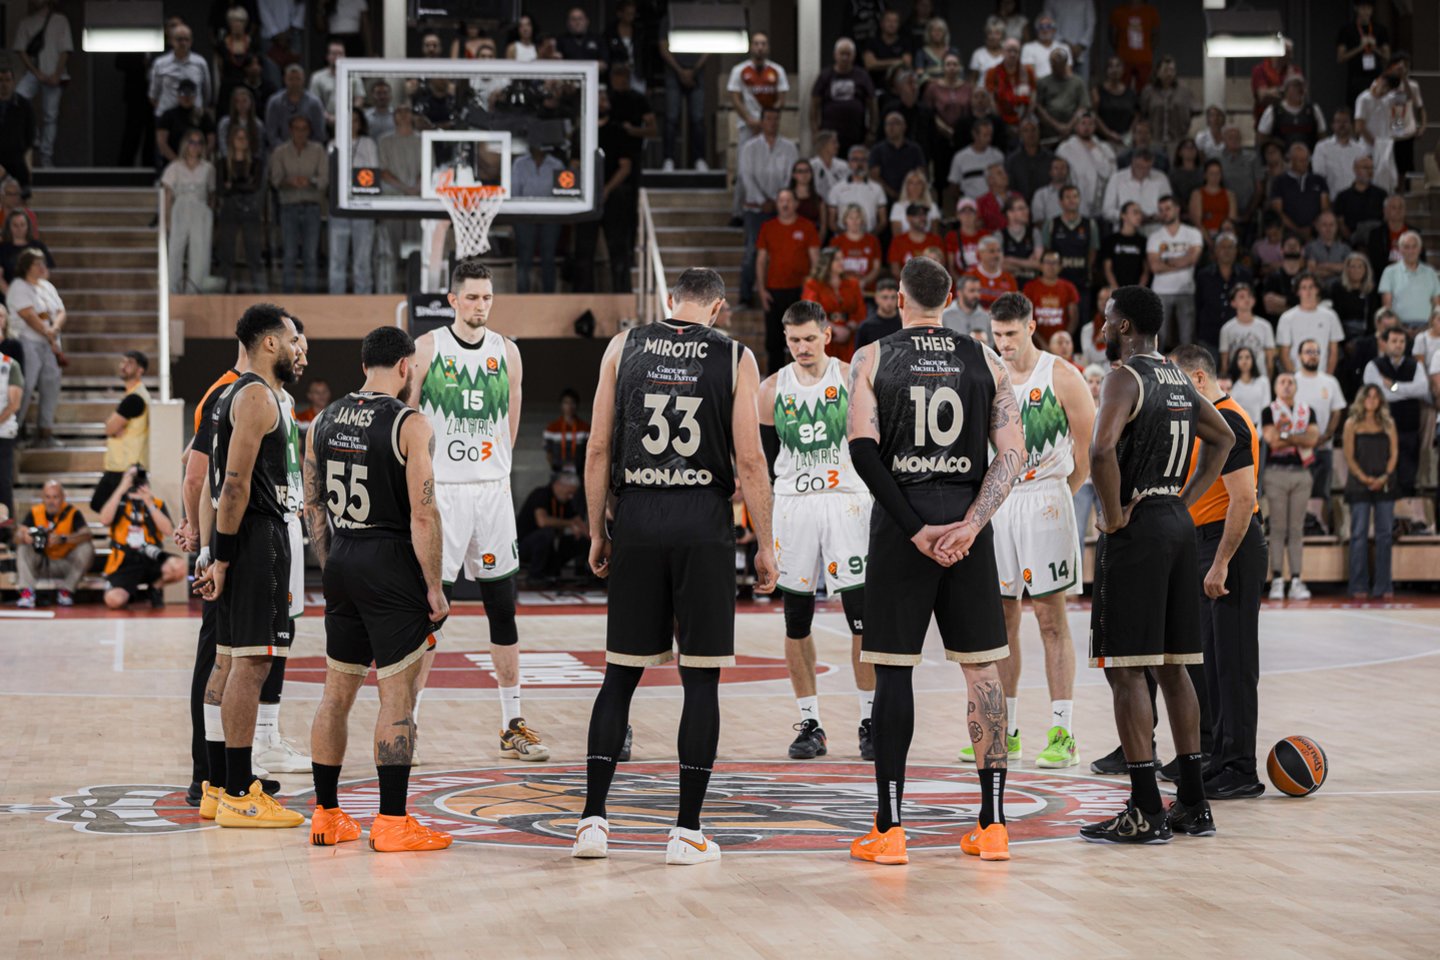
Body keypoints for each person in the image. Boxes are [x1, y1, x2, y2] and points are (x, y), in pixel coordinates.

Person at [572, 267, 776, 864]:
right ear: (717, 308)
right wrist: (766, 543)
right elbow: (750, 460)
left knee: (619, 675)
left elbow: (598, 448)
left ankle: (591, 823)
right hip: (702, 519)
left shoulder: (623, 345)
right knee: (701, 678)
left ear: (669, 300)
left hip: (638, 514)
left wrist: (597, 530)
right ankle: (686, 832)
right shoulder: (735, 356)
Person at [845, 256, 1025, 865]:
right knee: (983, 670)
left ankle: (891, 828)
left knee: (894, 672)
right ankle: (994, 825)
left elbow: (863, 452)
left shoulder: (872, 356)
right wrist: (971, 524)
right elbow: (1013, 454)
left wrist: (916, 529)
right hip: (968, 525)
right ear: (950, 298)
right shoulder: (987, 359)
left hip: (904, 526)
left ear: (900, 298)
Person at [1081, 285, 1231, 844]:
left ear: (1125, 327)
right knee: (1174, 665)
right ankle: (1193, 803)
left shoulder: (1125, 377)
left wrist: (1112, 513)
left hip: (1138, 528)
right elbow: (1222, 437)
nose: (1101, 327)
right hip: (1174, 522)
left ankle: (1145, 807)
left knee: (1125, 669)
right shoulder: (1176, 376)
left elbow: (1101, 450)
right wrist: (1184, 501)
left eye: (1107, 319)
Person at [302, 325, 452, 852]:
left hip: (342, 555)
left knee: (335, 694)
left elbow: (312, 503)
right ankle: (391, 822)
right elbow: (423, 514)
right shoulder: (410, 423)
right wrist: (434, 587)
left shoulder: (322, 419)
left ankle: (326, 814)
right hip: (389, 562)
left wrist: (333, 562)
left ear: (364, 364)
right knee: (397, 697)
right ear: (406, 366)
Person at [409, 260, 545, 759]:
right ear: (452, 300)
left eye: (487, 297)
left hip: (491, 493)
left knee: (502, 609)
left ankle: (512, 722)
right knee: (430, 612)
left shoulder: (508, 352)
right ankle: (408, 721)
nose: (480, 305)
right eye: (471, 297)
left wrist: (493, 467)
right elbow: (408, 419)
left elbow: (511, 420)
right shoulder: (427, 348)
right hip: (443, 492)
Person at [193, 304, 304, 828]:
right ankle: (239, 791)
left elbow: (213, 486)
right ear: (269, 343)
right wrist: (222, 556)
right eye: (292, 340)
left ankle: (217, 786)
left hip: (240, 539)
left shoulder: (229, 395)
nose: (297, 349)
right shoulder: (257, 396)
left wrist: (215, 551)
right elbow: (234, 485)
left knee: (226, 660)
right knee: (252, 664)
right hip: (258, 538)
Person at [974, 293, 1095, 771]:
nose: (1003, 342)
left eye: (1011, 333)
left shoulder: (1061, 375)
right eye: (996, 334)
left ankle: (1063, 731)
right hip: (1001, 502)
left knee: (1050, 620)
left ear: (1030, 328)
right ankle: (1007, 729)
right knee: (1002, 621)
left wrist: (1059, 495)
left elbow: (1087, 452)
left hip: (1045, 498)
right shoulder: (987, 375)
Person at [756, 302, 875, 760]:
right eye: (794, 340)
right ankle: (810, 723)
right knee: (796, 618)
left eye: (809, 338)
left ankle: (869, 719)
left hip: (847, 500)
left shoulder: (851, 378)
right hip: (794, 505)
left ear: (827, 334)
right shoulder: (771, 390)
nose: (802, 347)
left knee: (861, 617)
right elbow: (764, 463)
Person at [1171, 345, 1268, 799]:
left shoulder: (1230, 421)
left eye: (1178, 381)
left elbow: (1243, 499)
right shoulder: (1206, 422)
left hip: (1232, 544)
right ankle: (1220, 756)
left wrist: (1222, 562)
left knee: (1234, 663)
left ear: (1198, 378)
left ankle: (1241, 768)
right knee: (1211, 663)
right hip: (1205, 542)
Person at [1261, 371, 1317, 601]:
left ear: (1296, 386)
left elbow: (1313, 439)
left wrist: (1286, 435)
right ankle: (1276, 579)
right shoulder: (1269, 411)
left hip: (1301, 473)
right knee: (1277, 528)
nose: (1287, 385)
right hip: (1276, 473)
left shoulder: (1307, 410)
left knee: (1296, 529)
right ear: (1275, 387)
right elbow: (1272, 440)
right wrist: (1298, 436)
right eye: (1282, 382)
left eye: (1291, 382)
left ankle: (1295, 579)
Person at [97, 464, 183, 609]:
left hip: (150, 555)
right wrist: (121, 488)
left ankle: (154, 588)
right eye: (132, 476)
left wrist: (149, 503)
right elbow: (104, 520)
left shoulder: (155, 502)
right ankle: (129, 594)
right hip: (124, 559)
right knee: (113, 600)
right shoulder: (119, 502)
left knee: (178, 567)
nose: (136, 480)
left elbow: (169, 531)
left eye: (139, 476)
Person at [1364, 326, 1431, 508]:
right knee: (1383, 474)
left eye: (1402, 341)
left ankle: (1406, 516)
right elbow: (1378, 395)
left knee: (1407, 476)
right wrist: (1407, 391)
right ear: (1384, 343)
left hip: (1409, 430)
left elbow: (1422, 390)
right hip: (1382, 430)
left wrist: (1394, 386)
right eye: (1394, 341)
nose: (1398, 345)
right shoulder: (1373, 366)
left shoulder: (1415, 365)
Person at [739, 108, 799, 307]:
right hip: (755, 209)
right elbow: (746, 176)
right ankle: (746, 296)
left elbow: (789, 177)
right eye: (769, 118)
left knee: (783, 254)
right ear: (762, 121)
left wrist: (778, 200)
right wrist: (762, 200)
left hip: (781, 209)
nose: (772, 122)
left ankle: (782, 296)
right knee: (752, 252)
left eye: (776, 119)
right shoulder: (749, 147)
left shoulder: (789, 148)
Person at [757, 189, 822, 373]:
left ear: (796, 204)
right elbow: (761, 260)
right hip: (774, 290)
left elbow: (816, 260)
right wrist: (761, 290)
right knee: (774, 341)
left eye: (789, 200)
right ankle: (775, 380)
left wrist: (813, 290)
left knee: (803, 338)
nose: (785, 204)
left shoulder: (807, 226)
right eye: (781, 200)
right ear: (777, 204)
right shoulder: (768, 227)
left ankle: (804, 378)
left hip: (800, 291)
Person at [1343, 384, 1397, 599]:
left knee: (1385, 535)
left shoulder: (1388, 423)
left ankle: (1384, 585)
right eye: (1368, 396)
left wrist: (1384, 477)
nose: (1372, 400)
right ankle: (1358, 585)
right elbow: (1349, 456)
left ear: (1380, 400)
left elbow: (1394, 454)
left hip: (1385, 483)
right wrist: (1365, 478)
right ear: (1361, 399)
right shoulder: (1351, 423)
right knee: (1359, 535)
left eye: (1376, 397)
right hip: (1359, 483)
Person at [1294, 337, 1350, 530]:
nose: (1313, 356)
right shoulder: (1292, 381)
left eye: (1316, 352)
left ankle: (1322, 527)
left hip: (1324, 445)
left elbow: (1337, 411)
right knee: (1300, 491)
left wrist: (1327, 434)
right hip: (1299, 448)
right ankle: (1300, 527)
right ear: (1299, 356)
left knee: (1322, 490)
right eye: (1308, 352)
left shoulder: (1330, 381)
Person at [7, 246, 61, 445]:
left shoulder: (47, 287)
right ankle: (13, 430)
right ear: (27, 266)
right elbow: (29, 315)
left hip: (49, 343)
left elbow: (60, 311)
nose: (42, 267)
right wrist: (49, 333)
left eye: (43, 263)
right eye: (37, 264)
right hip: (27, 342)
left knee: (51, 385)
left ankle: (45, 432)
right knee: (26, 386)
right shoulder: (18, 286)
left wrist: (54, 329)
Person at [269, 115, 326, 293]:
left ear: (309, 131)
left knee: (310, 256)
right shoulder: (280, 152)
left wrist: (310, 181)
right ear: (290, 130)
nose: (300, 132)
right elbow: (275, 180)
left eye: (304, 128)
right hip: (289, 207)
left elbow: (325, 179)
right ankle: (287, 297)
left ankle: (310, 297)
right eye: (296, 128)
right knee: (289, 255)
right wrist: (289, 182)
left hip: (312, 207)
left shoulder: (318, 150)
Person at [14, 478, 91, 608]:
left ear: (63, 497)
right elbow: (17, 536)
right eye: (48, 497)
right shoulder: (35, 512)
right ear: (42, 498)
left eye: (55, 497)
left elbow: (87, 534)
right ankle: (27, 593)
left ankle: (66, 591)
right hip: (40, 564)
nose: (51, 501)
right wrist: (24, 536)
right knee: (22, 547)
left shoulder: (72, 513)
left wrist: (64, 539)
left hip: (65, 564)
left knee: (87, 548)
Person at [13, 0, 72, 170]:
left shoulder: (60, 20)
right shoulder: (26, 22)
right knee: (18, 99)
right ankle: (34, 135)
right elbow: (20, 50)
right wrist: (35, 71)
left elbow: (66, 50)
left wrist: (57, 74)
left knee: (50, 116)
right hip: (34, 72)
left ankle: (46, 157)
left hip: (54, 72)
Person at [161, 129, 215, 295]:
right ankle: (172, 291)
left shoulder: (208, 168)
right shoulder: (175, 167)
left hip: (201, 209)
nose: (195, 146)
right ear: (186, 144)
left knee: (200, 251)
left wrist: (210, 213)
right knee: (175, 251)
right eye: (192, 142)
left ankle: (195, 291)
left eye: (199, 143)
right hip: (180, 208)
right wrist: (167, 219)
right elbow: (167, 194)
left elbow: (212, 193)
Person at [1145, 195, 1202, 350]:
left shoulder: (1192, 233)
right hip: (1161, 291)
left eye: (1168, 208)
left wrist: (1167, 262)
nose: (1164, 213)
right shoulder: (1155, 236)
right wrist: (1183, 260)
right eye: (1161, 210)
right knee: (1159, 339)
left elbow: (1193, 259)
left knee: (1187, 339)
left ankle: (1185, 366)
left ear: (1177, 209)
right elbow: (1155, 266)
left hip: (1186, 290)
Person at [215, 122, 266, 293]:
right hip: (229, 208)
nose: (242, 141)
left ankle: (261, 293)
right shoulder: (223, 163)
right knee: (226, 253)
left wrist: (233, 185)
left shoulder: (256, 163)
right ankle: (224, 292)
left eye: (245, 138)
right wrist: (243, 184)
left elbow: (255, 187)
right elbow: (221, 190)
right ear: (232, 140)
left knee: (254, 253)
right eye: (238, 138)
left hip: (250, 208)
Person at [510, 143, 566, 294]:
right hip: (524, 216)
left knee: (548, 257)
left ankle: (549, 297)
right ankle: (522, 297)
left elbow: (563, 193)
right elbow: (514, 193)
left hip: (550, 217)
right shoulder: (519, 163)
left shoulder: (557, 164)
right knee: (524, 257)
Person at [658, 14, 711, 172]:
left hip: (697, 72)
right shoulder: (668, 18)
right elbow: (663, 46)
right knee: (671, 117)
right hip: (673, 71)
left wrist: (694, 70)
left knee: (698, 118)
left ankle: (699, 159)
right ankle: (668, 159)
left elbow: (711, 44)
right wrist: (680, 70)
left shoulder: (701, 18)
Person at [517, 471, 588, 583]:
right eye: (569, 492)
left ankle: (582, 572)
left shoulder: (566, 501)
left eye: (573, 494)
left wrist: (594, 538)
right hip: (525, 546)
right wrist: (570, 523)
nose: (570, 497)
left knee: (582, 541)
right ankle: (535, 576)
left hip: (551, 547)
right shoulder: (541, 494)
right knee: (546, 533)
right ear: (558, 485)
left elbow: (578, 522)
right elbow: (542, 521)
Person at [811, 39, 876, 156]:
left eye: (848, 54)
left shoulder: (862, 76)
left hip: (857, 135)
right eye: (842, 54)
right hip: (829, 135)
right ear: (835, 55)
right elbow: (814, 106)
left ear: (854, 56)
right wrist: (815, 131)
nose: (845, 58)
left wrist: (872, 132)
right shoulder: (825, 76)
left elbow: (872, 105)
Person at [1043, 184, 1099, 315]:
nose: (1072, 200)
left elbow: (1093, 251)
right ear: (1061, 202)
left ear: (1079, 199)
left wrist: (1088, 270)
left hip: (1081, 279)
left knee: (1083, 317)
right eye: (1067, 197)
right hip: (1058, 279)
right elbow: (1046, 251)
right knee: (1059, 318)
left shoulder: (1090, 224)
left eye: (1075, 196)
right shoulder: (1051, 224)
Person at [801, 248, 865, 361]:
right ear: (827, 262)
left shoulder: (853, 284)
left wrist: (849, 328)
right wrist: (834, 329)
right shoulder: (813, 285)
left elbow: (861, 311)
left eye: (842, 258)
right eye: (837, 259)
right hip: (823, 334)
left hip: (850, 335)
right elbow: (810, 313)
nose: (842, 262)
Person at [1196, 235, 1254, 350]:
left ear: (1236, 251)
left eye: (1230, 247)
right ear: (1216, 250)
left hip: (1238, 335)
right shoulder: (1203, 275)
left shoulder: (1245, 275)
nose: (1226, 251)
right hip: (1209, 335)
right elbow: (1198, 304)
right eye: (1223, 247)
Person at [1277, 275, 1345, 373]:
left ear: (1317, 289)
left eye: (1311, 287)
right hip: (1296, 374)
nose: (1308, 291)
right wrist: (1295, 377)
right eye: (1304, 287)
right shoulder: (1287, 318)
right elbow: (1284, 353)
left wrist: (1327, 377)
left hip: (1322, 374)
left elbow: (1333, 351)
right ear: (1298, 292)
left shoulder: (1330, 316)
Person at [1378, 231, 1440, 330]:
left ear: (1420, 249)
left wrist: (1431, 328)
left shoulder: (1430, 272)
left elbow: (1437, 305)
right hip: (1399, 328)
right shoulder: (1389, 272)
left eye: (1414, 246)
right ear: (1400, 249)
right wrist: (1398, 328)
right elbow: (1387, 307)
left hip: (1426, 327)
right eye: (1406, 247)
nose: (1410, 251)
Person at [149, 24, 211, 121]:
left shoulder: (200, 63)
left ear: (191, 41)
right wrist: (165, 115)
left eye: (186, 39)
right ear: (171, 40)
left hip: (194, 118)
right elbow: (154, 95)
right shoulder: (160, 63)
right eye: (179, 39)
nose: (183, 43)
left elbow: (207, 93)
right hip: (167, 118)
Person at [1269, 143, 1329, 242]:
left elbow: (1325, 209)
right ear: (1291, 161)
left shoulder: (1319, 180)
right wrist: (1297, 230)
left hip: (1316, 232)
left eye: (1307, 160)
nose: (1305, 163)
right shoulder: (1279, 182)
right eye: (1300, 160)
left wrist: (1311, 228)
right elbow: (1278, 212)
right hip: (1288, 234)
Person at [263, 64, 326, 153]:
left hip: (309, 152)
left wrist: (306, 150)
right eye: (291, 79)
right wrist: (285, 151)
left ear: (303, 80)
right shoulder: (274, 102)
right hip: (280, 152)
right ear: (285, 80)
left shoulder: (314, 103)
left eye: (298, 79)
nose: (294, 83)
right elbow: (271, 133)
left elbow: (319, 133)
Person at [1337, 0, 1390, 106]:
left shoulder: (1380, 30)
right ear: (1356, 8)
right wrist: (1360, 48)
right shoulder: (1347, 30)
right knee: (1356, 107)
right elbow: (1340, 57)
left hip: (1375, 78)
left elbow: (1387, 56)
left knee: (1376, 107)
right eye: (1363, 8)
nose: (1366, 12)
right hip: (1355, 78)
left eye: (1368, 8)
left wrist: (1374, 48)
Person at [1101, 150, 1169, 231]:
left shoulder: (1161, 177)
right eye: (1139, 167)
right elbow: (1107, 211)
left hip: (1154, 230)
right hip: (1125, 232)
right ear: (1132, 162)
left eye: (1147, 168)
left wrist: (1157, 216)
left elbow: (1168, 207)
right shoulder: (1117, 178)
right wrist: (1128, 216)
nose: (1143, 171)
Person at [828, 144, 888, 236]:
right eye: (855, 159)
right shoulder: (836, 189)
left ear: (868, 163)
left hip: (869, 238)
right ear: (849, 163)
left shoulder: (877, 189)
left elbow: (883, 221)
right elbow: (831, 222)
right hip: (843, 239)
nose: (859, 164)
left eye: (863, 160)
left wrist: (869, 237)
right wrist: (847, 237)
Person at [1023, 251, 1080, 343]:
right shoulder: (1029, 287)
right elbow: (1026, 319)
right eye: (1047, 262)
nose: (1050, 266)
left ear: (1060, 266)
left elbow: (1074, 319)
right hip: (1035, 343)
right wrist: (1042, 343)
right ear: (1041, 265)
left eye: (1054, 263)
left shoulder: (1069, 288)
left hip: (1061, 344)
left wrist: (1062, 341)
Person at [1257, 76, 1326, 152]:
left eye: (1302, 86)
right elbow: (1262, 138)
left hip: (1309, 157)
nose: (1300, 90)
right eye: (1295, 86)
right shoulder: (1273, 111)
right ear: (1286, 90)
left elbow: (1322, 137)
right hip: (1282, 158)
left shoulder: (1314, 110)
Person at [1312, 108, 1369, 199]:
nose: (1342, 125)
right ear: (1332, 125)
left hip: (1356, 199)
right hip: (1331, 199)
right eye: (1338, 121)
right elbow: (1319, 177)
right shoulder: (1322, 148)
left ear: (1351, 125)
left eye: (1345, 121)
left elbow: (1365, 177)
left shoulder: (1361, 150)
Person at [947, 117, 1004, 203]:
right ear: (975, 134)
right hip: (971, 203)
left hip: (994, 203)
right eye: (985, 135)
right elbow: (954, 185)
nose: (989, 139)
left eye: (990, 135)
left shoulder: (997, 156)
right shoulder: (960, 158)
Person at [1218, 284, 1274, 373]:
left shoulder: (1265, 326)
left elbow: (1270, 361)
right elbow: (1224, 364)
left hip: (1260, 376)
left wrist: (1267, 378)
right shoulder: (1227, 329)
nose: (1246, 299)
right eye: (1242, 297)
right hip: (1236, 377)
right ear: (1233, 303)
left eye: (1249, 296)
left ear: (1254, 300)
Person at [1332, 155, 1386, 241]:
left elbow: (1386, 219)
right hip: (1350, 241)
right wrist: (1351, 240)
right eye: (1365, 168)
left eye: (1371, 168)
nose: (1369, 171)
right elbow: (1340, 222)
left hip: (1376, 240)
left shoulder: (1381, 194)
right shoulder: (1343, 196)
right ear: (1355, 169)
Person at [1328, 253, 1380, 341]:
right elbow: (1335, 316)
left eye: (1360, 267)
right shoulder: (1337, 288)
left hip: (1366, 335)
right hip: (1343, 335)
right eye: (1353, 267)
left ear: (1366, 270)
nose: (1356, 270)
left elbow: (1373, 317)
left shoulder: (1371, 290)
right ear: (1347, 269)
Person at [833, 204, 883, 295]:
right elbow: (833, 268)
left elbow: (876, 268)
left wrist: (864, 282)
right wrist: (851, 283)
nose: (854, 222)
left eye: (857, 218)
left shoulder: (872, 241)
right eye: (851, 218)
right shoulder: (836, 242)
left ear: (862, 220)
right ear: (845, 220)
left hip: (867, 291)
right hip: (843, 290)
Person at [1109, 0, 1159, 90]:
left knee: (1145, 90)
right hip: (1124, 59)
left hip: (1144, 60)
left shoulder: (1151, 12)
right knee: (1122, 90)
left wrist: (1147, 50)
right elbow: (1112, 35)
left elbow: (1155, 35)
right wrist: (1120, 50)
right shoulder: (1118, 12)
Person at [1099, 201, 1149, 290]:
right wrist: (1117, 290)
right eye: (1135, 212)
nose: (1139, 216)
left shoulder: (1143, 241)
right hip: (1116, 290)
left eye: (1140, 213)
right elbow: (1107, 269)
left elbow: (1146, 270)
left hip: (1137, 291)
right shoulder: (1111, 240)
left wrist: (1139, 291)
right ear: (1123, 215)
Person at [0, 209, 51, 292]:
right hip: (8, 293)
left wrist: (35, 292)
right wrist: (11, 294)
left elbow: (45, 272)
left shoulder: (38, 246)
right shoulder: (2, 248)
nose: (19, 228)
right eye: (15, 225)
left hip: (35, 292)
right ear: (9, 227)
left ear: (28, 226)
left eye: (22, 224)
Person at [1093, 56, 1137, 147]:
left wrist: (1130, 133)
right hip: (1102, 142)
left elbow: (1136, 115)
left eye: (1118, 66)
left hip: (1124, 141)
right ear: (1106, 70)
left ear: (1123, 70)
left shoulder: (1130, 93)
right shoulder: (1097, 91)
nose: (1114, 70)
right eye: (1111, 66)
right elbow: (1093, 114)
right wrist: (1108, 133)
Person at [543, 388, 589, 475]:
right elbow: (549, 453)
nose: (569, 406)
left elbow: (588, 452)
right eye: (566, 403)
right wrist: (554, 468)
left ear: (577, 405)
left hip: (579, 472)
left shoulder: (585, 428)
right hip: (558, 471)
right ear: (561, 405)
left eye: (572, 403)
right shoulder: (552, 428)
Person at [998, 195, 1041, 285]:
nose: (1026, 211)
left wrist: (1011, 260)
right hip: (1008, 286)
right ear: (1010, 213)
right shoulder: (999, 235)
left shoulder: (1034, 232)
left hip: (1031, 285)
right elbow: (999, 265)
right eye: (1021, 208)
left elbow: (1038, 263)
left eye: (1026, 208)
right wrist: (1027, 264)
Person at [1227, 347, 1272, 428]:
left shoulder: (1263, 381)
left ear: (1253, 360)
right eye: (1240, 358)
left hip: (1260, 427)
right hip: (1238, 427)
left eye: (1247, 357)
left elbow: (1266, 407)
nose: (1244, 361)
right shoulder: (1231, 384)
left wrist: (1260, 430)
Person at [1305, 212, 1352, 284]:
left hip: (1340, 287)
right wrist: (1338, 270)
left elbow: (1350, 268)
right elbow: (1312, 271)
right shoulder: (1310, 247)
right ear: (1317, 226)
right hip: (1317, 287)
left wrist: (1323, 265)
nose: (1328, 228)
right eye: (1324, 225)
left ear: (1336, 227)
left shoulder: (1345, 248)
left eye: (1331, 225)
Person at [941, 274, 991, 342]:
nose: (976, 295)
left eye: (978, 291)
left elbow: (990, 344)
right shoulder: (944, 315)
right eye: (972, 291)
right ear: (959, 292)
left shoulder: (986, 317)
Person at [858, 278, 903, 346]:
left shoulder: (904, 324)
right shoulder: (866, 327)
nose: (889, 302)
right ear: (876, 298)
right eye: (885, 297)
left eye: (893, 297)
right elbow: (859, 352)